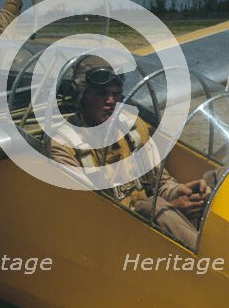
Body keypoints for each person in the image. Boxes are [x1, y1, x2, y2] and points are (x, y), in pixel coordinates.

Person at [50, 56, 215, 247]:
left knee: (214, 179)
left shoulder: (134, 127)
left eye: (116, 94)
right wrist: (170, 209)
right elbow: (89, 216)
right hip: (115, 238)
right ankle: (213, 262)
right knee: (151, 206)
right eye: (101, 93)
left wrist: (182, 193)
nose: (111, 101)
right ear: (82, 96)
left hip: (157, 219)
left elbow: (161, 184)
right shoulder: (63, 144)